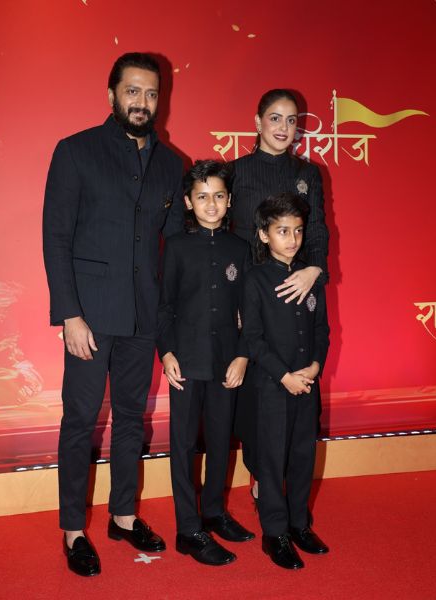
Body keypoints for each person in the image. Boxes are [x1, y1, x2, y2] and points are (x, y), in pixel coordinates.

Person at [42, 52, 184, 577]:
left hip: (143, 318)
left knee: (130, 420)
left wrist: (172, 323)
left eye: (151, 93)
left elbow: (173, 251)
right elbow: (56, 239)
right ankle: (73, 529)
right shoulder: (75, 151)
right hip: (90, 319)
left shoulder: (172, 165)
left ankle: (123, 516)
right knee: (80, 421)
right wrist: (70, 315)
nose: (142, 102)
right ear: (112, 95)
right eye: (132, 91)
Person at [231, 89, 330, 506]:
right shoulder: (235, 172)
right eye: (275, 118)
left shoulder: (308, 173)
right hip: (250, 294)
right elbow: (226, 238)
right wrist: (236, 300)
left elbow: (318, 227)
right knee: (257, 396)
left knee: (297, 396)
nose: (283, 128)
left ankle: (286, 493)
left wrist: (314, 269)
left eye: (292, 120)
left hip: (297, 288)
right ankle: (262, 479)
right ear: (257, 123)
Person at [157, 160, 255, 567]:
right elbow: (164, 306)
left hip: (225, 362)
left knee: (219, 441)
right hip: (185, 361)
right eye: (202, 197)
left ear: (229, 200)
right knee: (183, 445)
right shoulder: (176, 246)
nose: (211, 204)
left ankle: (213, 512)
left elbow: (251, 312)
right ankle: (188, 528)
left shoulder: (240, 249)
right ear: (188, 202)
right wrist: (166, 353)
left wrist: (243, 355)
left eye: (218, 196)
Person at [242, 193, 330, 570]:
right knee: (271, 460)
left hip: (307, 384)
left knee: (302, 457)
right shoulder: (255, 280)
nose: (292, 239)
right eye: (282, 231)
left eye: (297, 230)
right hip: (271, 387)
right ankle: (274, 532)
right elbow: (252, 339)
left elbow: (323, 330)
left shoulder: (312, 278)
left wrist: (314, 366)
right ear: (264, 235)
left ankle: (298, 524)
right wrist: (283, 376)